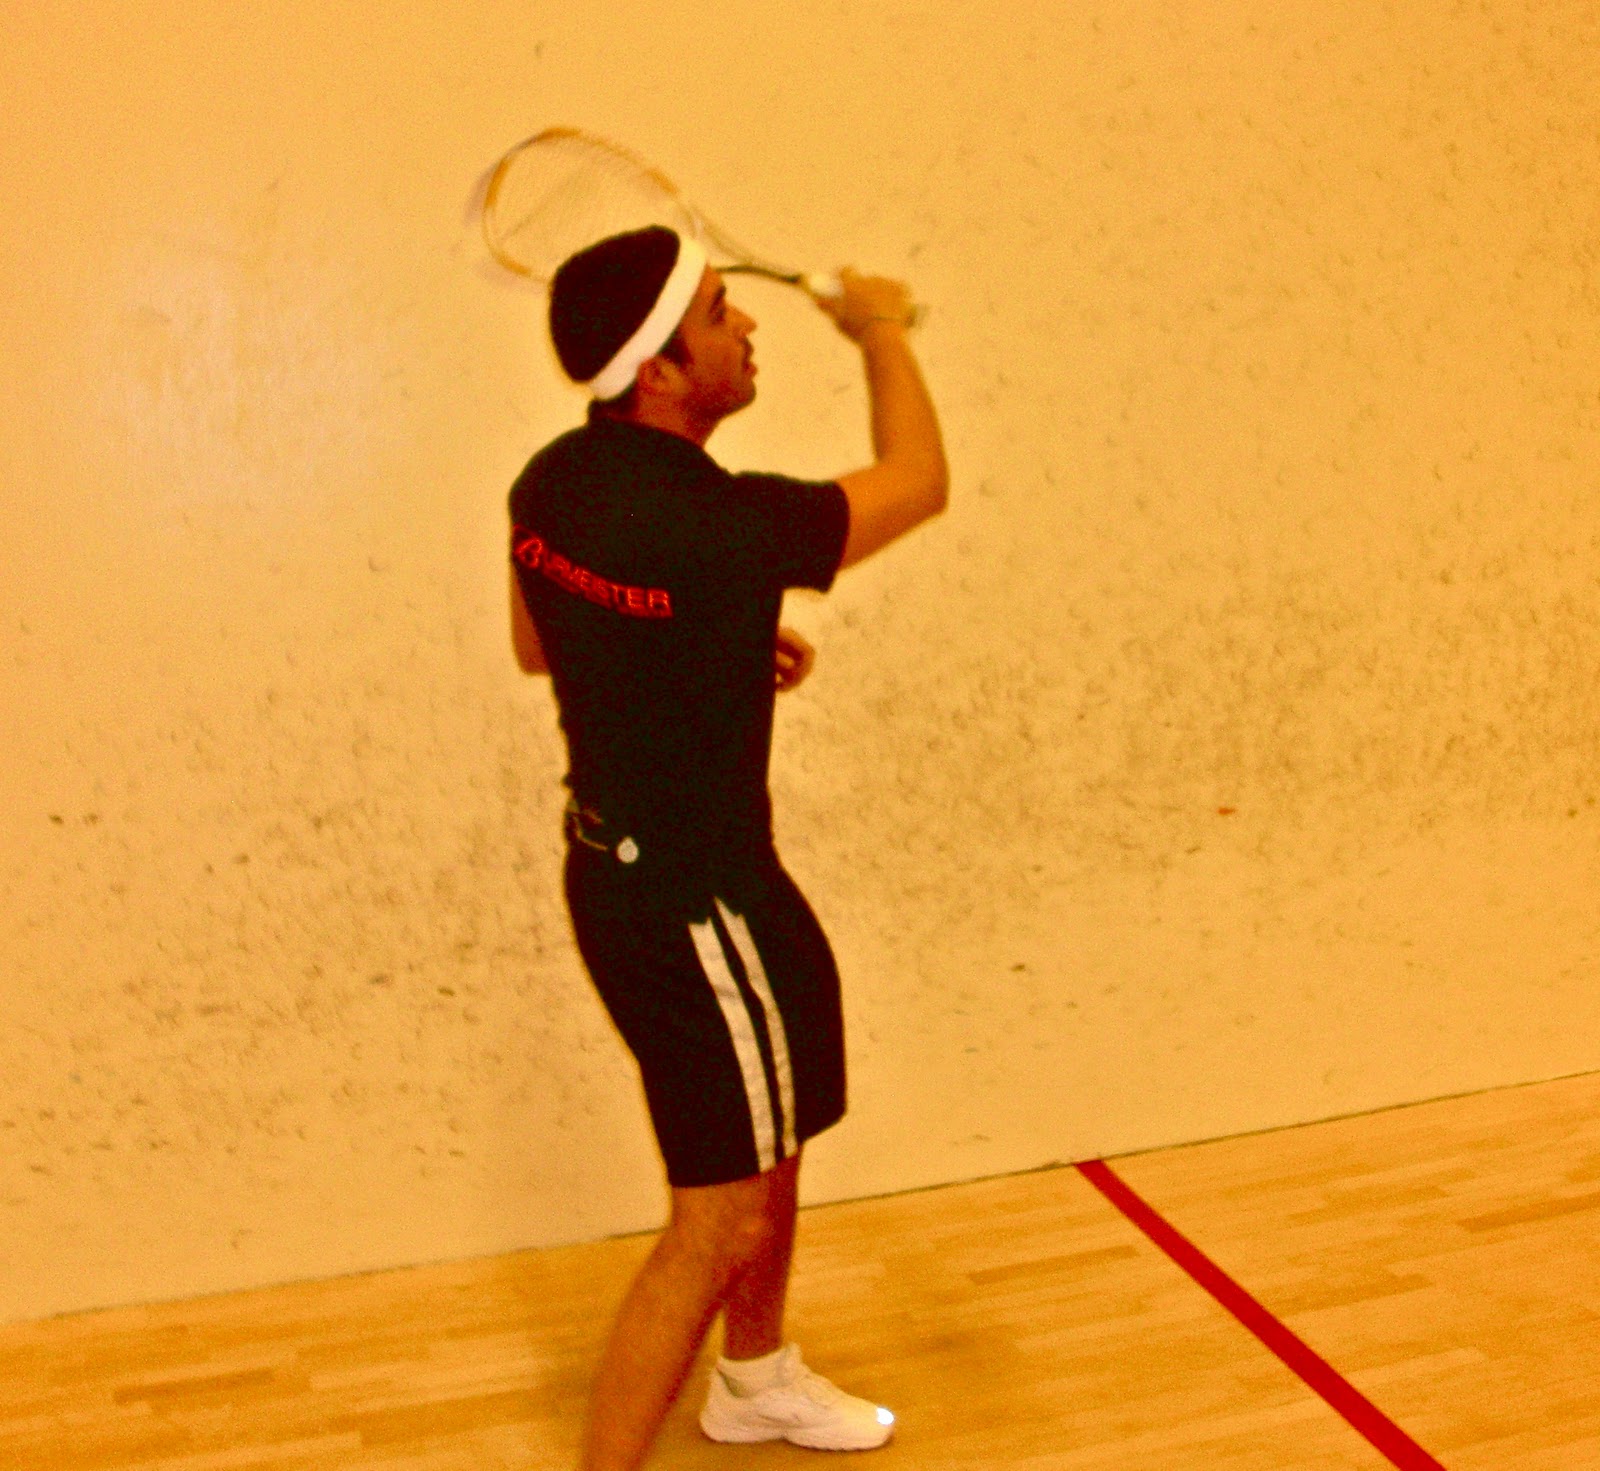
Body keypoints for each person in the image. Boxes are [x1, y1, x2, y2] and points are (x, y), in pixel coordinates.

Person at [507, 224, 946, 1471]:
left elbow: (545, 645)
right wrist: (877, 327)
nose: (744, 325)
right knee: (719, 1217)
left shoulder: (552, 485)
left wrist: (711, 646)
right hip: (692, 905)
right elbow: (916, 479)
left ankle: (753, 1381)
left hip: (647, 878)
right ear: (659, 370)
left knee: (775, 1124)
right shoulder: (720, 523)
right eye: (716, 313)